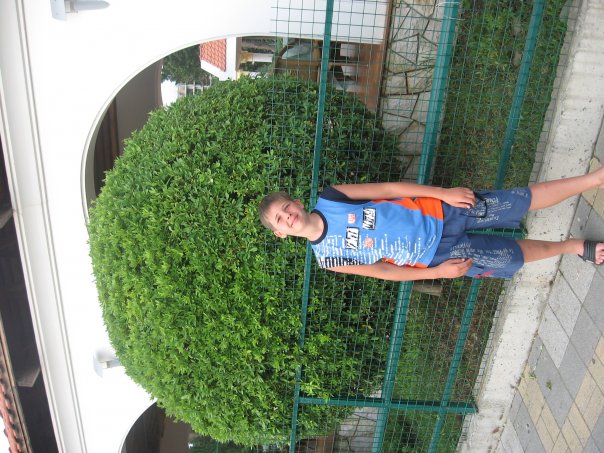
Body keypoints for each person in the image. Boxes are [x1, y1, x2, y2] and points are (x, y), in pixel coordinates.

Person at [258, 166, 604, 280]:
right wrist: (438, 273)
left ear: (297, 202)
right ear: (280, 233)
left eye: (286, 207)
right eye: (280, 219)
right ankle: (573, 247)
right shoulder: (328, 259)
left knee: (517, 200)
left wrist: (444, 194)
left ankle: (594, 179)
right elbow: (385, 271)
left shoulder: (332, 197)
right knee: (511, 255)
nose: (288, 216)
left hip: (441, 212)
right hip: (436, 255)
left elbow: (389, 189)